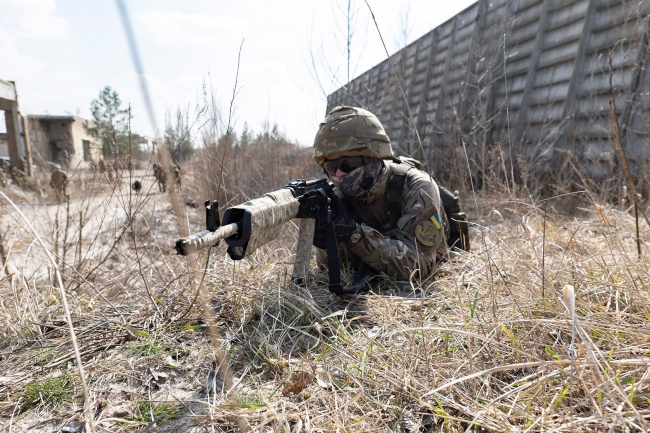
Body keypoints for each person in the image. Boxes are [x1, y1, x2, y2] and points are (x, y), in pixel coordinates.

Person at [302, 105, 468, 293]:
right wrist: (325, 242)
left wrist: (354, 234)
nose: (339, 174)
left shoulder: (417, 186)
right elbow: (332, 271)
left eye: (347, 164)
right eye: (331, 168)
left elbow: (420, 265)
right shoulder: (338, 195)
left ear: (374, 156)